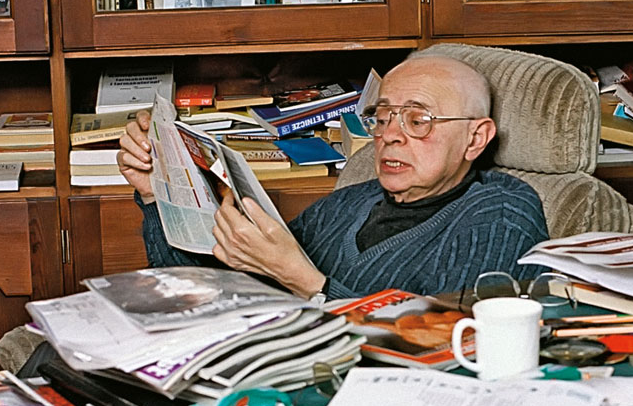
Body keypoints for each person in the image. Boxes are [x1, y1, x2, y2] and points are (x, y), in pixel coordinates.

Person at [117, 52, 551, 299]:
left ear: (476, 139)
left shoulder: (502, 211)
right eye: (382, 117)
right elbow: (216, 294)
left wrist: (306, 283)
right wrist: (156, 195)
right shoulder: (349, 203)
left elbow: (449, 345)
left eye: (418, 120)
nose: (390, 135)